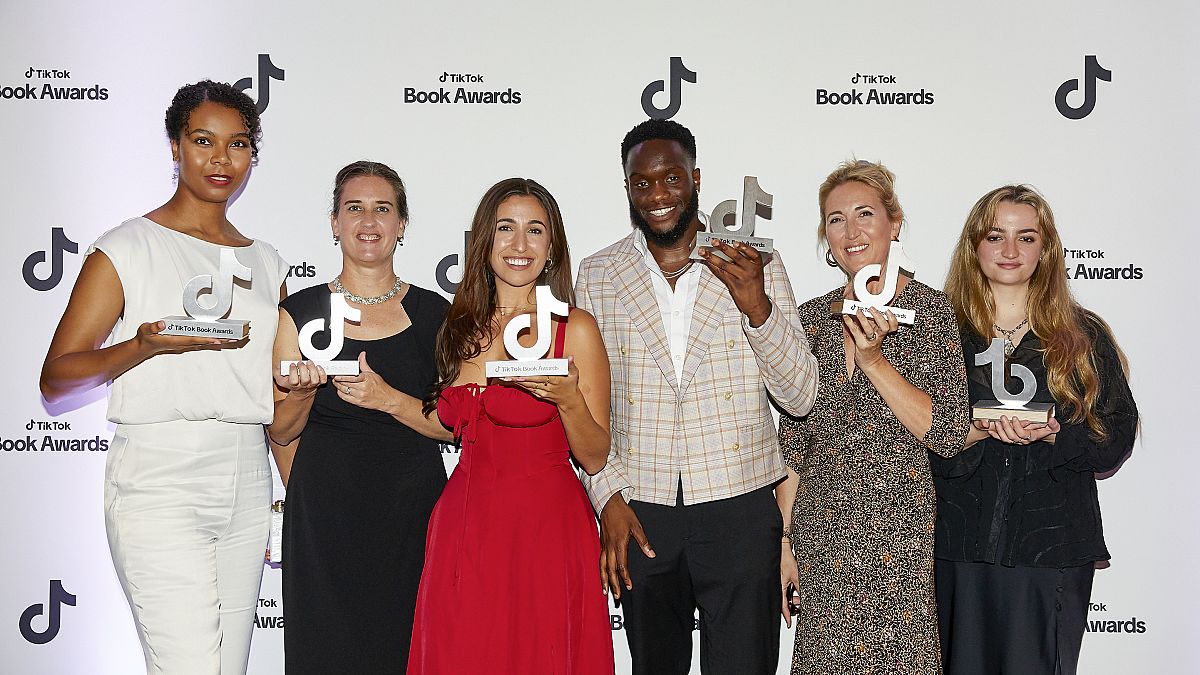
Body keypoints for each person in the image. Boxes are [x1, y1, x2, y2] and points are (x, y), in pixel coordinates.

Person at [39, 80, 288, 675]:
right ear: (174, 147)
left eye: (239, 144)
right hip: (159, 478)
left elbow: (274, 392)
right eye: (203, 141)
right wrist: (144, 344)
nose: (221, 159)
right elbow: (57, 379)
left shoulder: (267, 262)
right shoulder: (126, 246)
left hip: (247, 476)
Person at [576, 118, 819, 675]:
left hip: (739, 507)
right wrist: (607, 496)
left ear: (696, 179)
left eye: (671, 178)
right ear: (628, 189)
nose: (658, 195)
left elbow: (801, 395)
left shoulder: (756, 264)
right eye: (642, 183)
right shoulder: (598, 274)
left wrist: (757, 305)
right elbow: (588, 407)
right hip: (642, 512)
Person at [407, 178, 614, 674]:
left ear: (552, 248)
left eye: (535, 230)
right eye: (506, 228)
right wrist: (385, 399)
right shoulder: (458, 327)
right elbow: (447, 420)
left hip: (546, 530)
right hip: (465, 527)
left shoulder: (575, 328)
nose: (519, 245)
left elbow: (595, 454)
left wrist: (567, 399)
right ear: (484, 240)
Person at [932, 185, 1138, 674]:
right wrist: (972, 432)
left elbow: (1116, 436)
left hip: (1052, 549)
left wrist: (1054, 435)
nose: (1009, 251)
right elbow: (912, 438)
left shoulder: (1082, 334)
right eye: (996, 236)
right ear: (972, 246)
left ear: (1045, 250)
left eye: (1025, 238)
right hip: (959, 544)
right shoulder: (939, 332)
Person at [777, 159, 970, 674]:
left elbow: (948, 431)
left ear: (895, 222)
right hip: (821, 541)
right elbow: (793, 446)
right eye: (835, 219)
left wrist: (873, 362)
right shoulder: (812, 318)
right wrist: (784, 542)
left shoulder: (932, 312)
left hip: (900, 542)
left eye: (865, 214)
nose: (852, 231)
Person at [269, 161, 452, 673]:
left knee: (408, 649)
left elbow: (455, 425)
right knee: (326, 650)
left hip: (413, 510)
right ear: (334, 223)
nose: (368, 222)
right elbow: (280, 430)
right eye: (354, 208)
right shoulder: (298, 312)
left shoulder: (437, 315)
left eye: (382, 209)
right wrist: (304, 394)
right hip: (325, 514)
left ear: (402, 224)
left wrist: (388, 398)